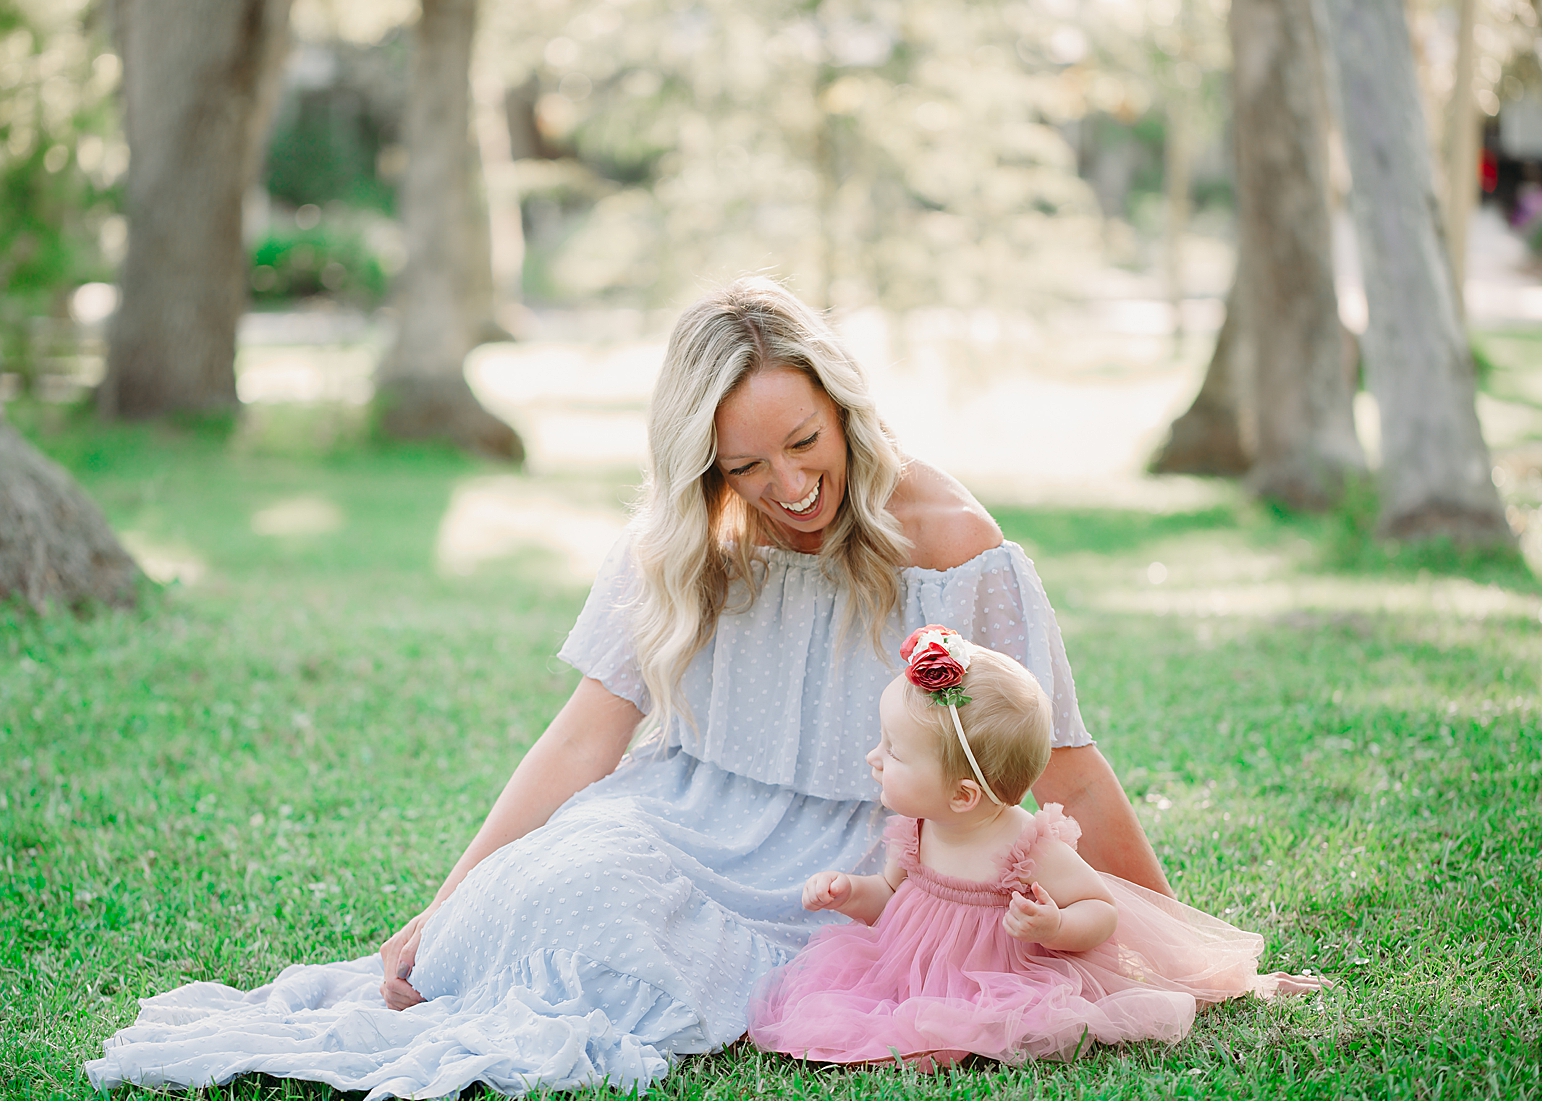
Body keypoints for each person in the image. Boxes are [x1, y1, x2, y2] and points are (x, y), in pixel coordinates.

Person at [86, 277, 1172, 1098]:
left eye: (805, 442)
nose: (789, 487)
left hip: (841, 863)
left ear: (844, 407)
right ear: (704, 466)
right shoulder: (683, 538)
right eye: (747, 467)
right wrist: (450, 897)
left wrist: (1165, 933)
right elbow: (581, 742)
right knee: (556, 891)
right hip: (678, 816)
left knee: (619, 948)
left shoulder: (950, 540)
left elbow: (1062, 757)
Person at [749, 625, 1320, 1068]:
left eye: (893, 752)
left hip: (1004, 980)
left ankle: (960, 1029)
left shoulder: (1029, 846)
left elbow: (1100, 909)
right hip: (913, 972)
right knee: (874, 1012)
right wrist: (851, 893)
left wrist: (1054, 927)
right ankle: (926, 1022)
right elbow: (891, 902)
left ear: (965, 794)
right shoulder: (918, 829)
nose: (874, 758)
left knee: (984, 1026)